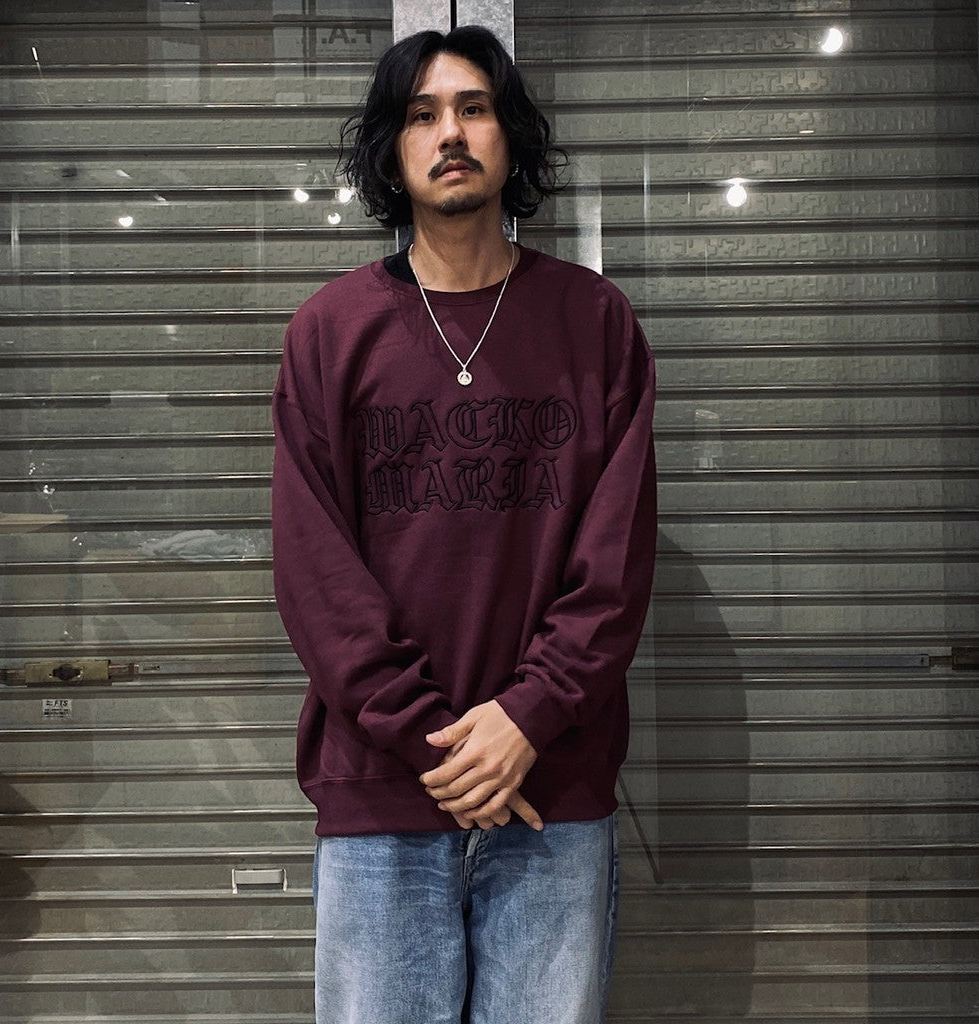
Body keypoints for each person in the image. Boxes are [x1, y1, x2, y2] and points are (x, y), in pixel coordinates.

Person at [271, 24, 657, 1024]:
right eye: (421, 114)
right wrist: (436, 742)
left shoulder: (594, 324)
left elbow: (615, 564)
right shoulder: (329, 333)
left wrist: (528, 716)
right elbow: (316, 577)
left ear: (509, 135)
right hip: (381, 796)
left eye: (474, 108)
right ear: (390, 149)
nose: (450, 132)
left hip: (552, 790)